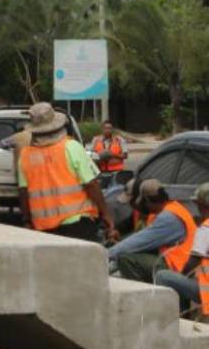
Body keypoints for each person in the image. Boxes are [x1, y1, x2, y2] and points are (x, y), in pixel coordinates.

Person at [18, 102, 117, 242]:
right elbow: (91, 184)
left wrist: (27, 221)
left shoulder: (25, 155)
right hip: (78, 224)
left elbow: (23, 192)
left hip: (43, 228)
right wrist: (106, 214)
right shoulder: (71, 147)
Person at [107, 179, 196, 283]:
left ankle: (143, 296)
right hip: (178, 262)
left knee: (127, 260)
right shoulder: (170, 209)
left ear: (148, 201)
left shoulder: (168, 218)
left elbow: (139, 242)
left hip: (178, 266)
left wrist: (106, 254)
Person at [154, 183, 209, 314]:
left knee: (163, 276)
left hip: (207, 292)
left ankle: (176, 319)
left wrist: (181, 276)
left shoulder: (206, 228)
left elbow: (193, 262)